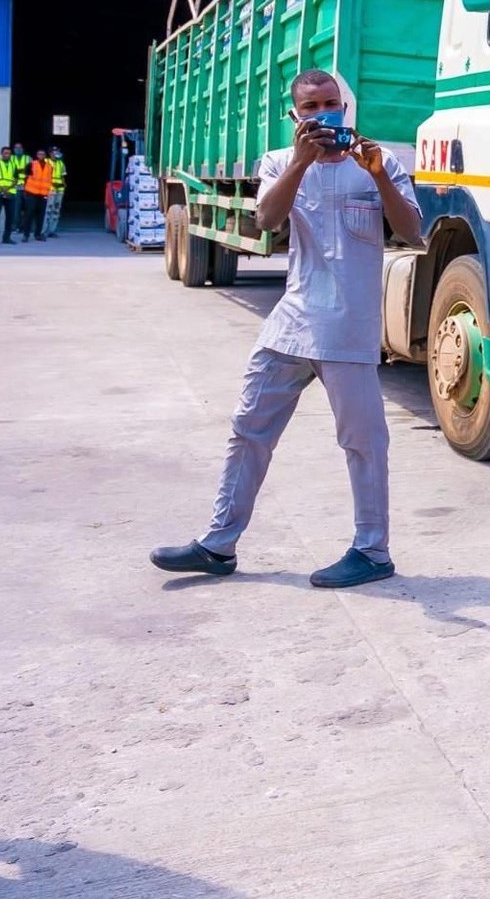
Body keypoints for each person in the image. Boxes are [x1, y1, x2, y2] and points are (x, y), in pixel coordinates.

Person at [150, 69, 424, 589]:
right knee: (248, 430)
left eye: (330, 103)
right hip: (292, 325)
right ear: (295, 116)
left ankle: (373, 552)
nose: (323, 114)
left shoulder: (380, 162)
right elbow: (267, 221)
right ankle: (218, 544)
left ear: (345, 106)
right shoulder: (278, 161)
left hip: (348, 331)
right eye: (311, 107)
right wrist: (300, 160)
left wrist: (381, 177)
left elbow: (411, 232)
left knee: (364, 443)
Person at [0, 146, 22, 245]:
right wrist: (2, 188)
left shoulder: (14, 164)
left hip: (10, 192)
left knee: (10, 216)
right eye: (5, 153)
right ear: (1, 154)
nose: (7, 155)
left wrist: (7, 189)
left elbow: (16, 179)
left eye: (9, 153)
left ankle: (6, 238)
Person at [21, 149, 53, 242]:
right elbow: (25, 177)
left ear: (45, 155)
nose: (41, 155)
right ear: (37, 155)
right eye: (39, 154)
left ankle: (38, 234)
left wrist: (48, 192)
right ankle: (26, 235)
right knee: (29, 214)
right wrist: (25, 191)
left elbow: (49, 179)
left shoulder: (49, 166)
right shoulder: (31, 164)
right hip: (31, 193)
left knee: (40, 216)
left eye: (43, 154)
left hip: (43, 194)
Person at [44, 147, 66, 238]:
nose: (56, 153)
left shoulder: (61, 163)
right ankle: (44, 230)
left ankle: (52, 230)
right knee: (48, 210)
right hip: (50, 188)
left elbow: (63, 176)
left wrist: (64, 185)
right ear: (50, 153)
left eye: (57, 151)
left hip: (59, 189)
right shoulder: (46, 162)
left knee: (56, 210)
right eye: (54, 152)